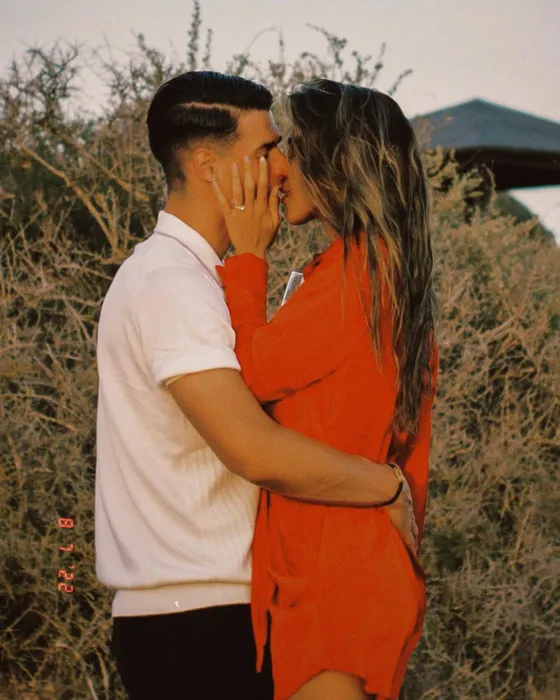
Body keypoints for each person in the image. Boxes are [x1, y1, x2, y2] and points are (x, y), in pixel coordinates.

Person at [94, 71, 417, 700]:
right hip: (197, 620)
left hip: (221, 612)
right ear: (209, 167)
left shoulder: (193, 277)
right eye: (267, 149)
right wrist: (386, 486)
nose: (280, 166)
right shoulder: (171, 282)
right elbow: (253, 450)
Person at [213, 78, 439, 700]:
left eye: (292, 147)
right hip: (331, 563)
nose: (278, 168)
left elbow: (250, 375)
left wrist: (247, 256)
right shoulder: (368, 269)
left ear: (337, 162)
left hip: (335, 574)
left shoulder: (360, 271)